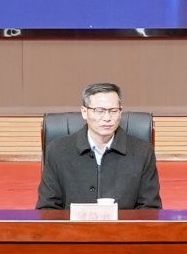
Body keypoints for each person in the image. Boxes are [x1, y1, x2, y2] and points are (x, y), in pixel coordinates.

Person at [37, 82, 162, 210]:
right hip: (73, 224)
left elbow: (150, 208)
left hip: (124, 224)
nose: (107, 118)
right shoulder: (58, 150)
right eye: (99, 111)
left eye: (113, 111)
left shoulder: (142, 152)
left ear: (120, 112)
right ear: (84, 112)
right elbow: (47, 207)